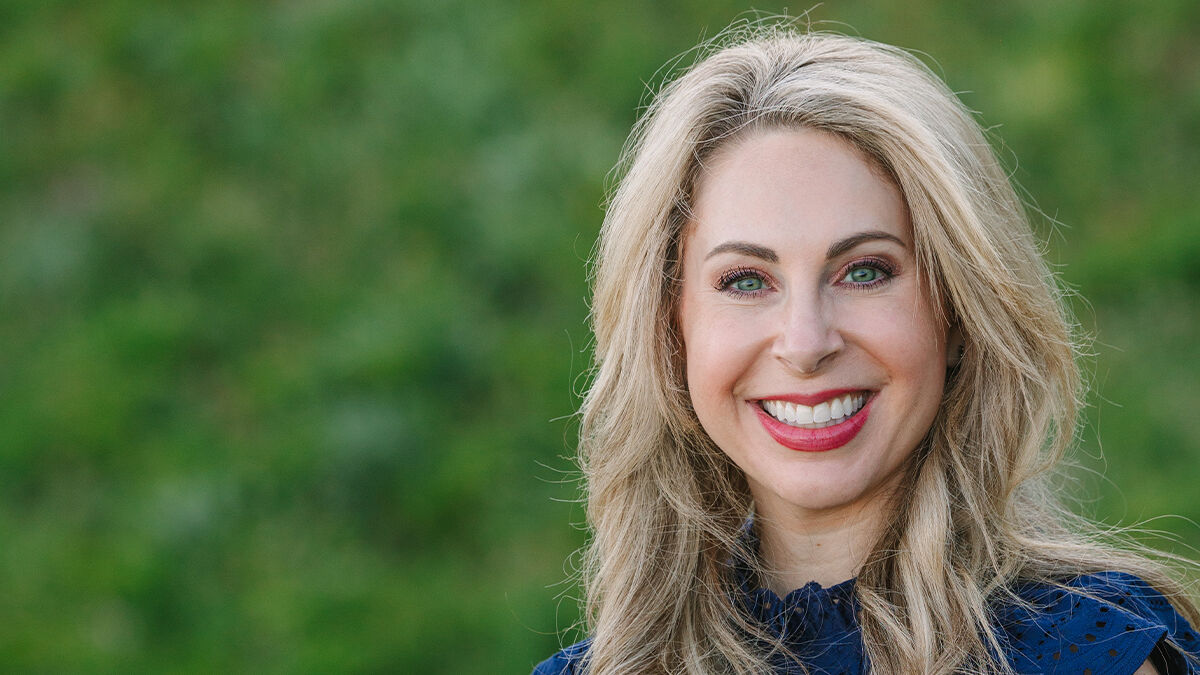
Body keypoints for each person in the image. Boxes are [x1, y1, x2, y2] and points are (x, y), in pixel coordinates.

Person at [534, 25, 1200, 675]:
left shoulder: (1096, 653)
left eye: (865, 271)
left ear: (959, 310)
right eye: (745, 280)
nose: (805, 343)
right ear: (668, 331)